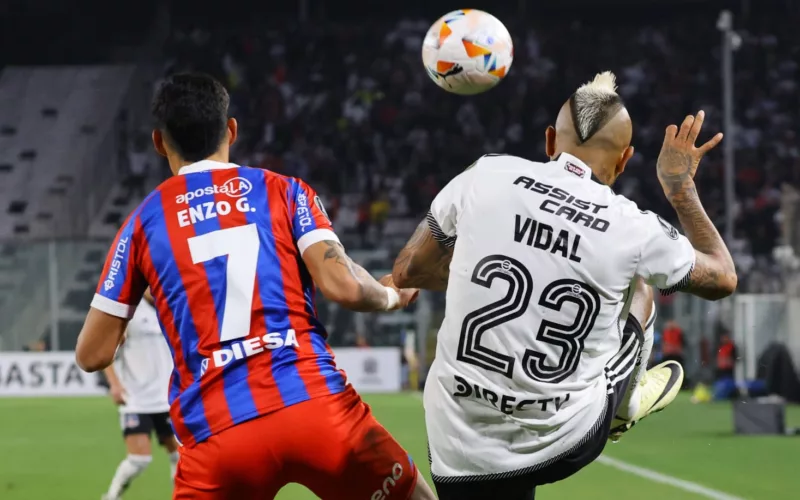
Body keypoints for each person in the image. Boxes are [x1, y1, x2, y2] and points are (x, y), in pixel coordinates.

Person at [76, 73, 436, 500]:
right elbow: (346, 287)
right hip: (314, 406)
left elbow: (92, 354)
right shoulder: (282, 191)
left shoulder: (141, 225)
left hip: (218, 436)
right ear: (231, 130)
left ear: (159, 142)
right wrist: (393, 294)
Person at [392, 71, 737, 499]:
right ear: (624, 160)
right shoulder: (632, 226)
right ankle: (624, 403)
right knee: (640, 283)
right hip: (561, 438)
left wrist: (479, 275)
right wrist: (680, 188)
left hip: (457, 434)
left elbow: (407, 270)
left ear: (550, 140)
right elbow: (723, 277)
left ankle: (618, 399)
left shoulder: (486, 174)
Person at [102, 290, 178, 500]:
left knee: (180, 456)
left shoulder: (170, 307)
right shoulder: (129, 312)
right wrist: (114, 384)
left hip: (168, 397)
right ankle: (111, 496)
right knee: (139, 459)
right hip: (136, 398)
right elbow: (106, 350)